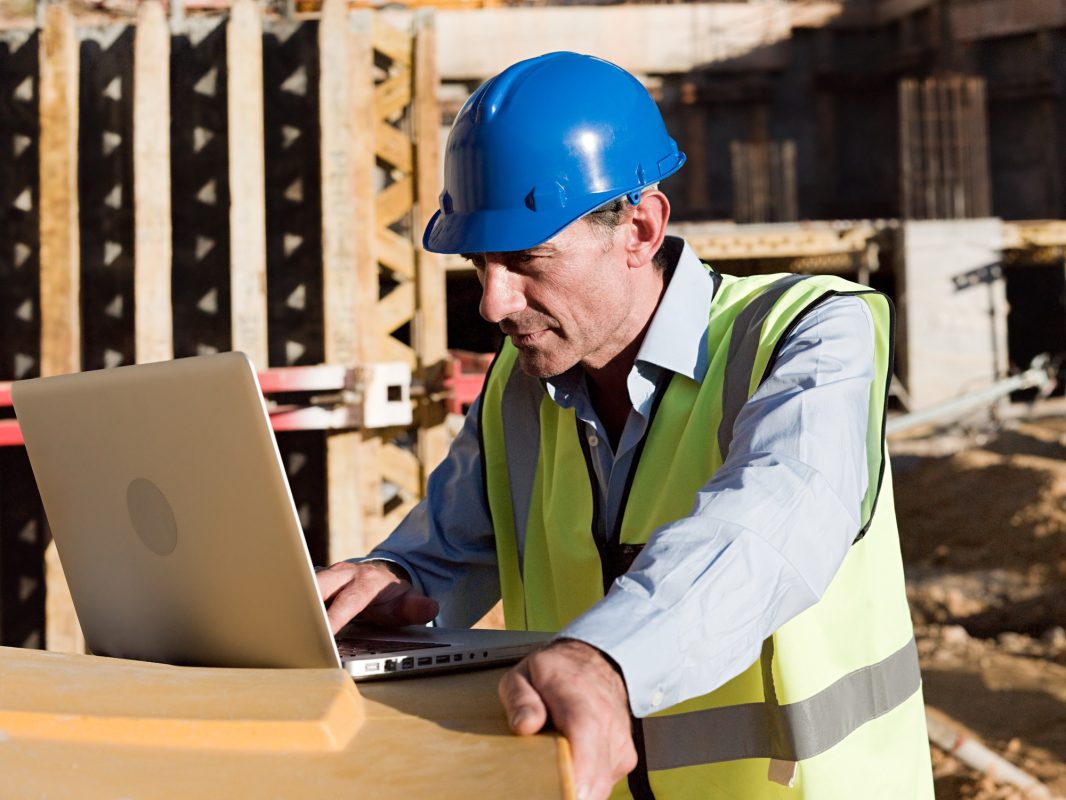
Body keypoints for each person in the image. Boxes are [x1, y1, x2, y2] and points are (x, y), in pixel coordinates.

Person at [316, 52, 933, 800]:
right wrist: (391, 586)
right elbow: (449, 552)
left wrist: (605, 659)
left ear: (639, 228)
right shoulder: (520, 382)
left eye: (526, 259)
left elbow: (768, 531)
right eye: (480, 264)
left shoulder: (810, 336)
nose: (492, 303)